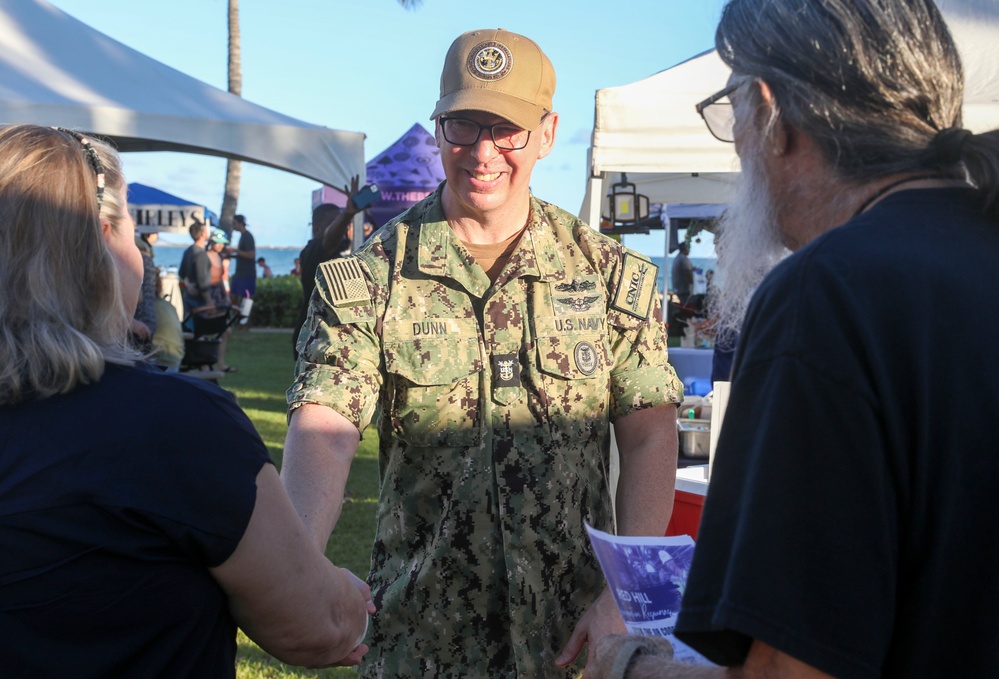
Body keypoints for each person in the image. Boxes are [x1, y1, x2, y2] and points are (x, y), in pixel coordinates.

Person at [590, 1, 999, 677]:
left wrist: (628, 667)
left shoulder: (827, 294)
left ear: (771, 114)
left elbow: (791, 666)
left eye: (732, 113)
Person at [282, 28, 682, 678]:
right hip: (419, 639)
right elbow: (325, 428)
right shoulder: (370, 277)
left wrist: (624, 597)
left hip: (573, 640)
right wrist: (296, 578)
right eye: (464, 127)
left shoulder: (606, 273)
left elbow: (647, 433)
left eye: (508, 130)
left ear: (548, 133)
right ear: (439, 129)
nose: (483, 152)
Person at [0, 124, 373, 675]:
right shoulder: (170, 426)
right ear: (100, 238)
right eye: (129, 229)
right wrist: (348, 597)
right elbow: (314, 626)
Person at [291, 178, 360, 360]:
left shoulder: (339, 253)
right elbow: (329, 240)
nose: (342, 227)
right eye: (334, 222)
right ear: (318, 229)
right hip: (313, 338)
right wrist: (347, 214)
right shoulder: (313, 249)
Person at [178, 219, 213, 314]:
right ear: (203, 234)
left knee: (189, 326)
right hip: (200, 298)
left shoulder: (188, 251)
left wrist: (188, 285)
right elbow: (203, 281)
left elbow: (181, 273)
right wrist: (210, 302)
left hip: (189, 295)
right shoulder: (201, 254)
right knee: (201, 327)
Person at [228, 214, 256, 304]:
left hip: (247, 275)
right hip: (240, 274)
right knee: (234, 296)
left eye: (234, 223)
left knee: (246, 300)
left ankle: (245, 317)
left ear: (240, 224)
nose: (233, 226)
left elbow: (251, 255)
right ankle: (237, 316)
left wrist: (235, 251)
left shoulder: (247, 236)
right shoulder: (243, 236)